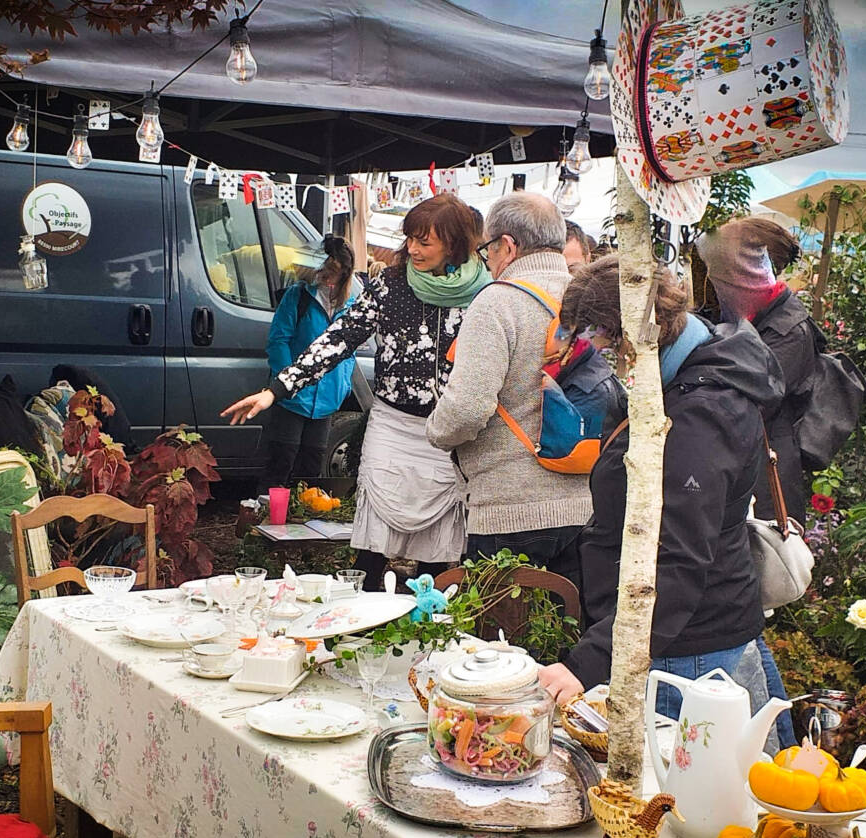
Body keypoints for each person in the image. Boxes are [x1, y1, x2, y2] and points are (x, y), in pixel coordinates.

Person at [534, 256, 794, 747]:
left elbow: (677, 560)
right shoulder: (682, 377)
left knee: (682, 805)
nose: (605, 356)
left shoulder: (699, 413)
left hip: (689, 650)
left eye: (607, 343)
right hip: (684, 636)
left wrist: (587, 662)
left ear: (637, 335)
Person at [222, 194, 488, 581]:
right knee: (373, 543)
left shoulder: (485, 294)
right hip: (392, 425)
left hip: (448, 434)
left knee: (436, 548)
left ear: (454, 244)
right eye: (410, 238)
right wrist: (276, 390)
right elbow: (338, 339)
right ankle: (361, 612)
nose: (412, 248)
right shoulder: (391, 285)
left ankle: (427, 617)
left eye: (424, 242)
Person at [426, 192, 590, 584]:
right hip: (589, 507)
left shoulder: (498, 302)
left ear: (509, 246)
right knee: (574, 635)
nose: (489, 262)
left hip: (510, 511)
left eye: (488, 251)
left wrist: (434, 430)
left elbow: (466, 410)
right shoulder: (592, 296)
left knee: (499, 642)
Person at [697, 217, 816, 523]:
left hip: (766, 481)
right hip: (738, 468)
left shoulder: (788, 329)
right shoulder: (739, 315)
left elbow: (751, 402)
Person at [261, 236, 361, 486]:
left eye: (334, 274)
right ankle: (268, 516)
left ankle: (301, 520)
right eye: (324, 272)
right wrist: (287, 380)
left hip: (327, 401)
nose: (327, 280)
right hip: (293, 399)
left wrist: (343, 385)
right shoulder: (299, 296)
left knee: (310, 469)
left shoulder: (352, 305)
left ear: (344, 274)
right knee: (281, 463)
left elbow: (350, 349)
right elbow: (278, 340)